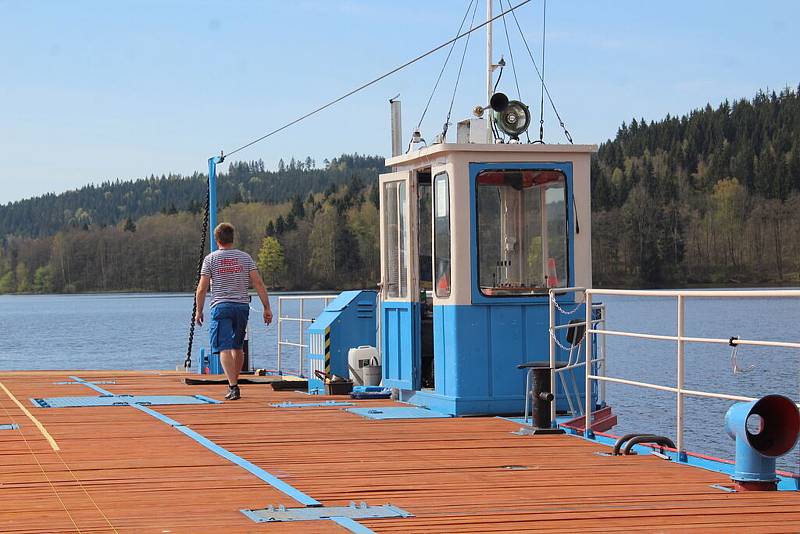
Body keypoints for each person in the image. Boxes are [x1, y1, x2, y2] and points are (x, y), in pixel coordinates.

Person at [194, 222, 272, 400]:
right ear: (232, 238)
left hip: (221, 306)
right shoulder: (245, 258)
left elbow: (202, 288)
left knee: (224, 347)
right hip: (241, 307)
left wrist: (199, 311)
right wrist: (266, 307)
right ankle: (234, 383)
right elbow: (258, 283)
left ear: (217, 239)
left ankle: (233, 386)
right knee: (238, 346)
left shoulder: (211, 259)